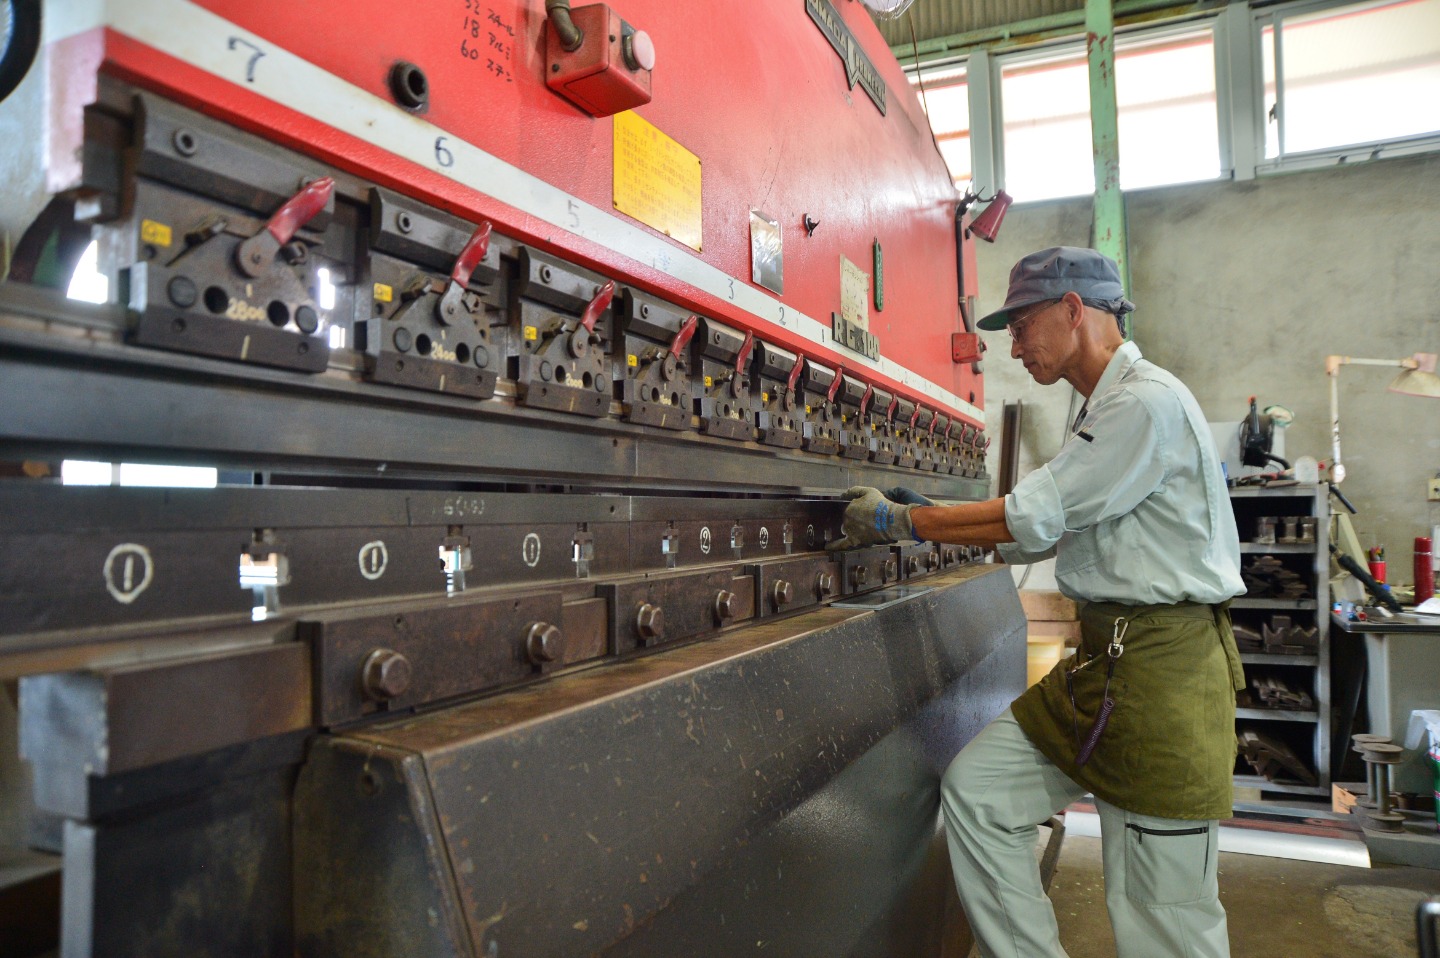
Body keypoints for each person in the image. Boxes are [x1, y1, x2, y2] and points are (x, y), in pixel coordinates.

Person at [829, 247, 1244, 958]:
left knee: (1161, 917)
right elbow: (1046, 527)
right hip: (1107, 670)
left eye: (1022, 326)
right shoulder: (1104, 407)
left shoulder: (1142, 403)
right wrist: (947, 517)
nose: (1013, 347)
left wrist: (904, 522)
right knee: (980, 793)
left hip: (1164, 677)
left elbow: (1031, 517)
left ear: (1075, 310)